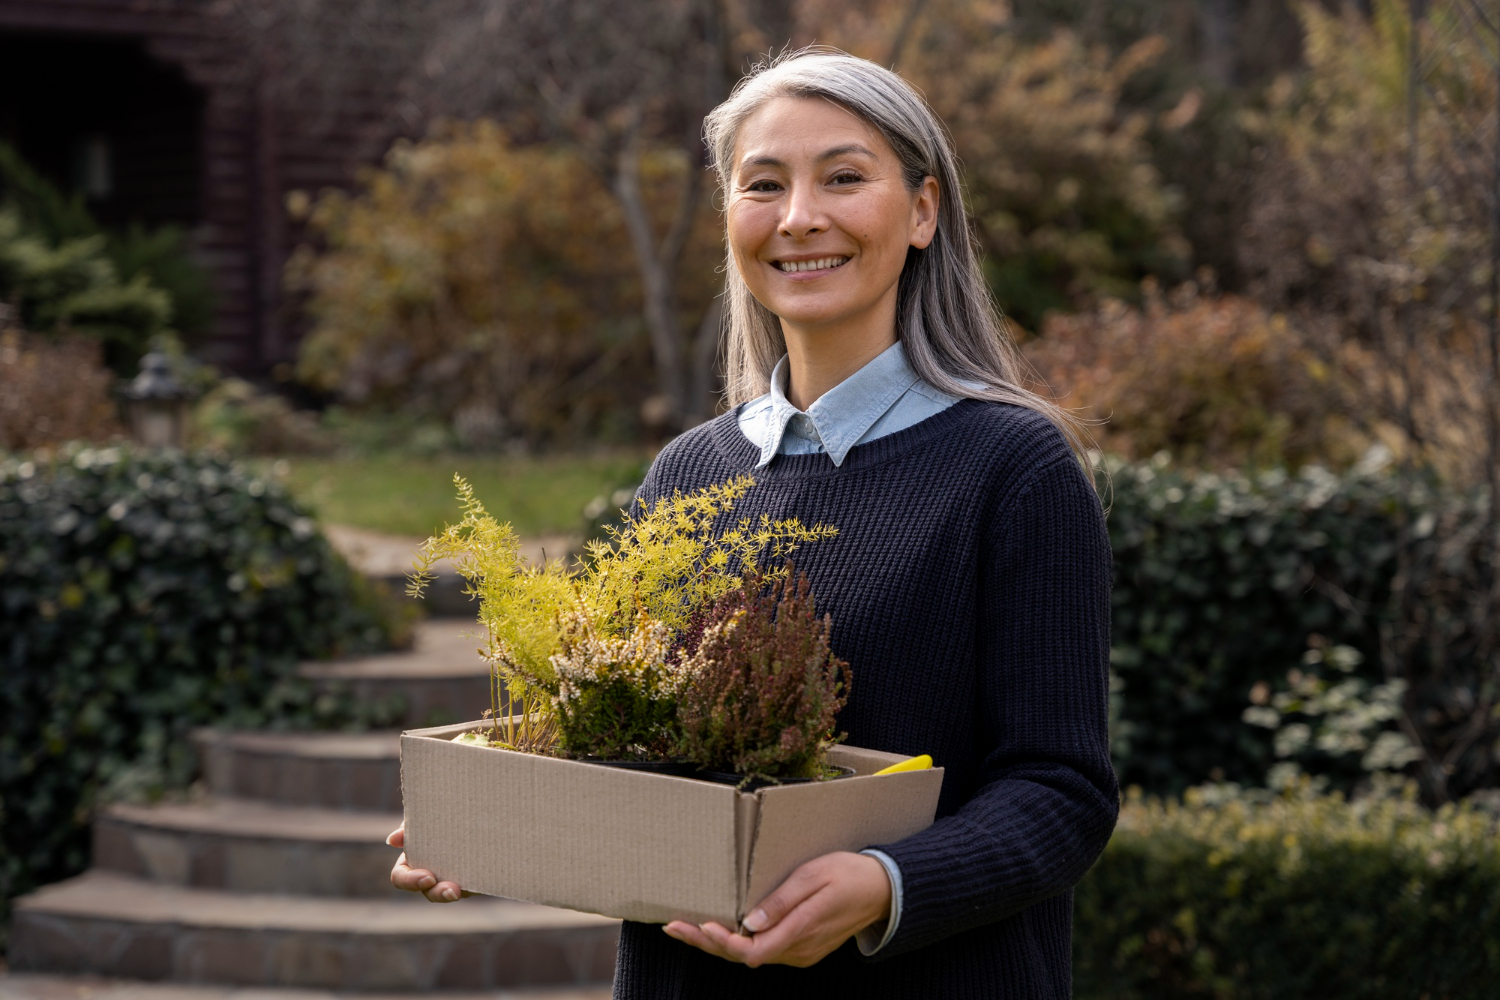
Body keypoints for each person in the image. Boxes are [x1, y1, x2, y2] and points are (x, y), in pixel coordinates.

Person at [390, 48, 1117, 999]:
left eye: (844, 178)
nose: (799, 217)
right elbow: (629, 746)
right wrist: (498, 817)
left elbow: (1061, 790)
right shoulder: (689, 474)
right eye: (763, 184)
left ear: (925, 211)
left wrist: (889, 884)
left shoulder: (1013, 471)